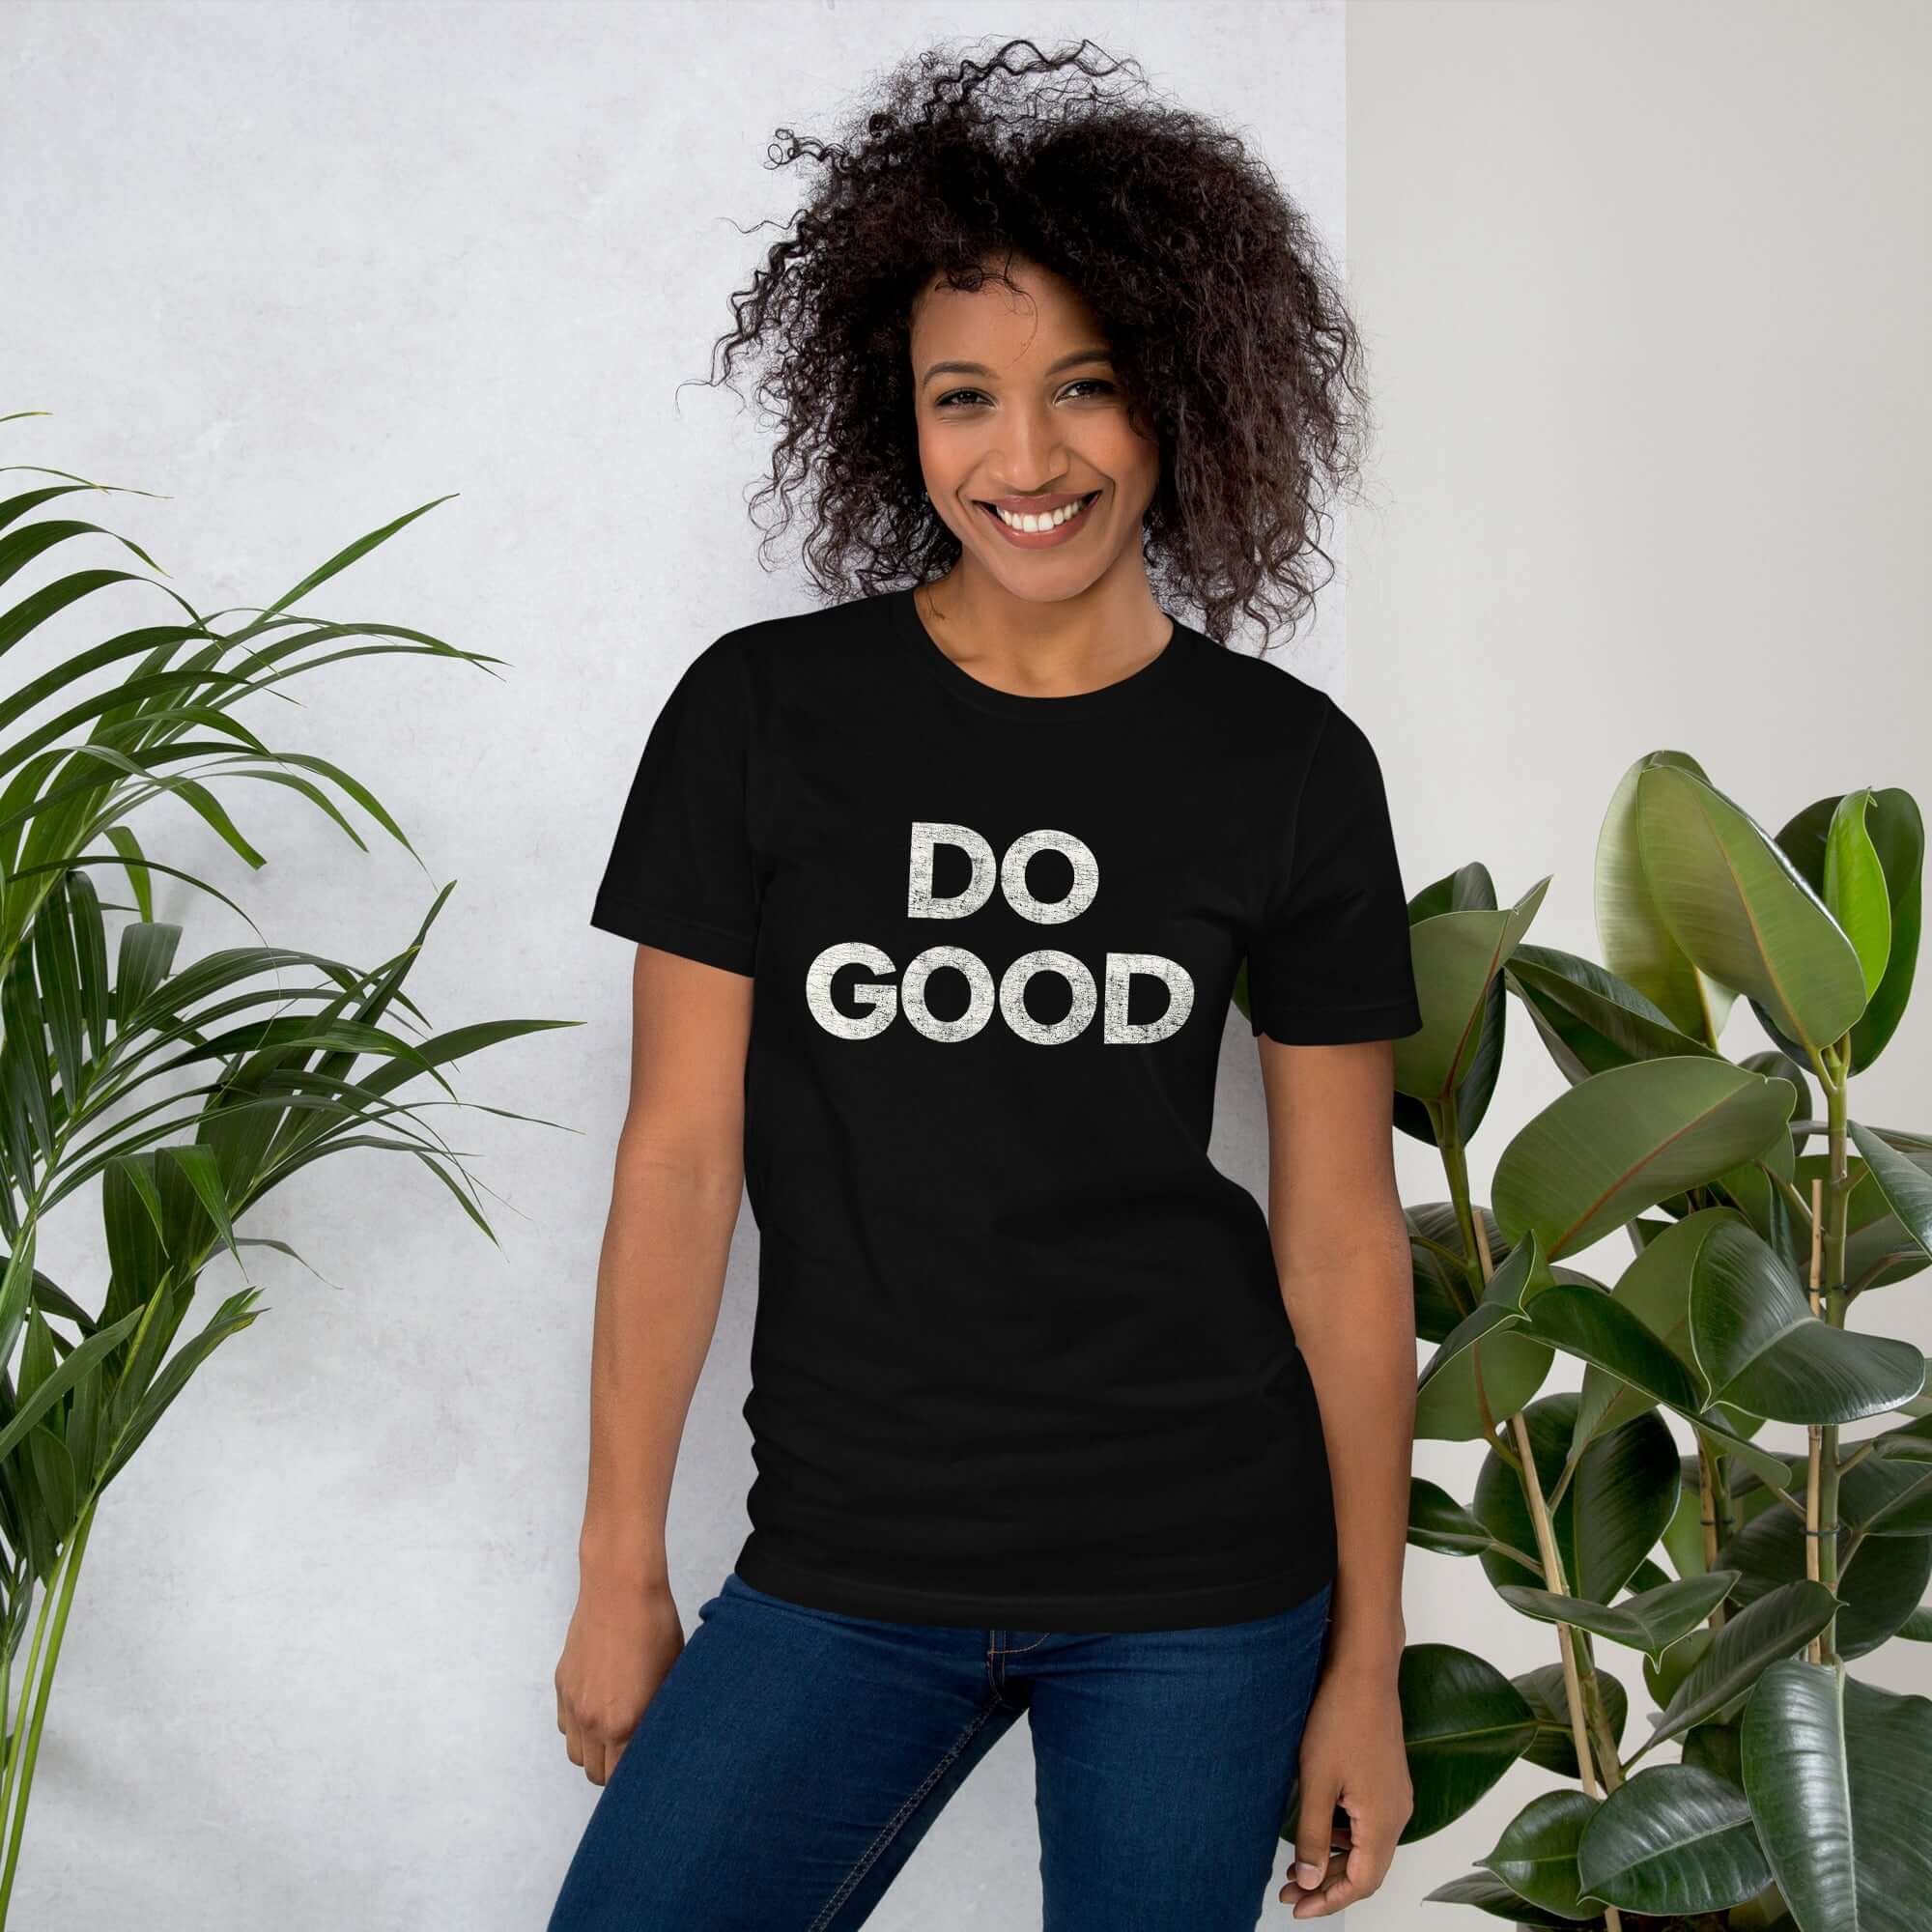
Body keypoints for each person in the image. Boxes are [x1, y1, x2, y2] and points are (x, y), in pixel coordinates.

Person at [549, 37, 1421, 1932]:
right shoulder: (764, 719)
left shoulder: (1283, 764)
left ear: (1183, 396)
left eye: (1084, 389)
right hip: (853, 1558)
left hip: (1202, 1579)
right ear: (900, 416)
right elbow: (680, 1157)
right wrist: (623, 1557)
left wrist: (1365, 1656)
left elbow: (1344, 1235)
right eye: (966, 399)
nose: (1023, 461)